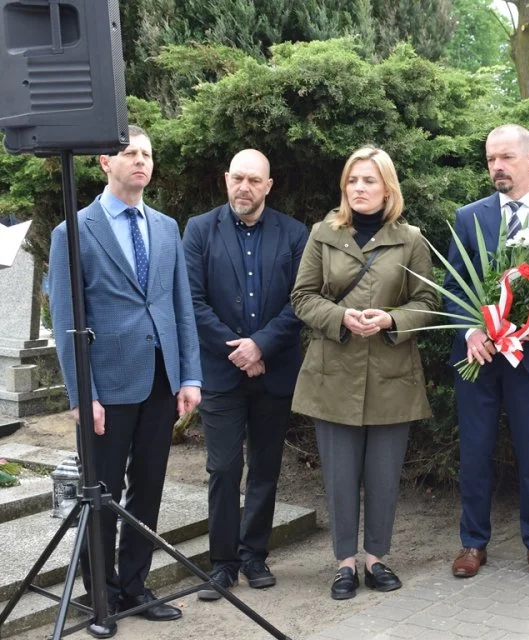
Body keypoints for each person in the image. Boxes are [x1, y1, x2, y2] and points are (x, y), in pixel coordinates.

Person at [47, 125, 202, 635]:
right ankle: (101, 600)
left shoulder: (165, 226)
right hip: (107, 386)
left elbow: (181, 307)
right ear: (104, 163)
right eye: (130, 152)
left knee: (149, 488)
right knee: (102, 493)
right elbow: (70, 321)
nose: (141, 161)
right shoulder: (74, 230)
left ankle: (136, 586)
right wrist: (81, 393)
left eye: (147, 154)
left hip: (159, 379)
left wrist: (189, 376)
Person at [290, 146, 437, 600]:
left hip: (392, 375)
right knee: (338, 475)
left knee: (383, 475)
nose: (359, 189)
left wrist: (392, 320)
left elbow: (429, 303)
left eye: (369, 181)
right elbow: (302, 297)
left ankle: (376, 558)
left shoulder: (410, 239)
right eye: (353, 181)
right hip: (332, 372)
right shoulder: (323, 233)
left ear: (387, 187)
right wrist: (340, 318)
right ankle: (344, 565)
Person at [445, 124, 529, 581]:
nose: (497, 167)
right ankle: (472, 543)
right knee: (475, 454)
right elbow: (451, 290)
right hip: (480, 360)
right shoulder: (469, 218)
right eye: (490, 159)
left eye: (505, 158)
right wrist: (470, 333)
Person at [182, 150, 307, 600]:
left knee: (266, 469)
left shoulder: (294, 234)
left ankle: (254, 555)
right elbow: (192, 301)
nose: (245, 188)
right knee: (223, 468)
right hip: (221, 373)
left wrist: (261, 346)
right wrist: (238, 350)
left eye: (254, 180)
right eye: (238, 179)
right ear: (226, 180)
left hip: (273, 371)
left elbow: (301, 301)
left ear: (268, 186)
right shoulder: (199, 230)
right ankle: (222, 565)